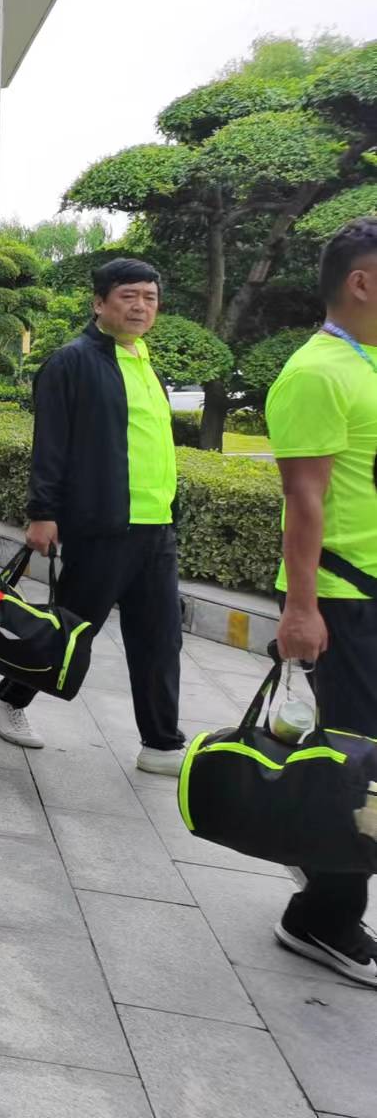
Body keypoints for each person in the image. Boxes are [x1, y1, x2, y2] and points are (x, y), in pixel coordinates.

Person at [0, 258, 186, 774]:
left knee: (161, 636)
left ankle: (161, 744)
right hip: (102, 527)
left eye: (150, 298)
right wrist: (43, 514)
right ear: (99, 303)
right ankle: (9, 700)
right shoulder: (70, 363)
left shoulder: (143, 360)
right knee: (71, 630)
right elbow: (50, 446)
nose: (141, 307)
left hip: (155, 527)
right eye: (129, 297)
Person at [268, 218, 377, 986]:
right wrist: (301, 609)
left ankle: (319, 871)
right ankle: (322, 919)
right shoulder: (316, 373)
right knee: (357, 768)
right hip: (342, 603)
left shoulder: (363, 364)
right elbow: (303, 501)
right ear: (362, 282)